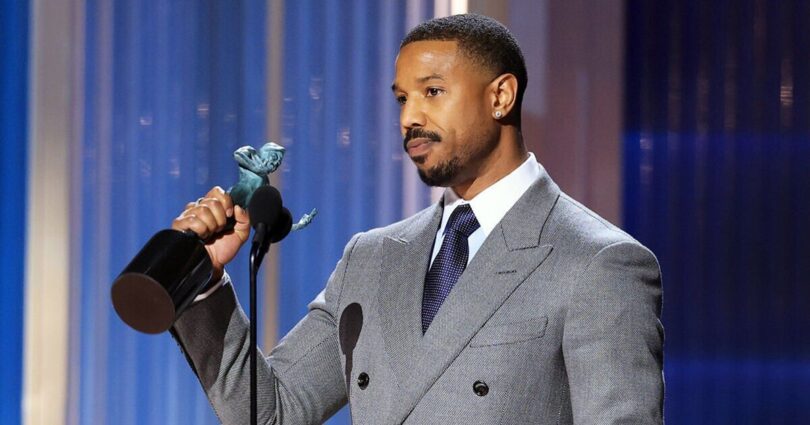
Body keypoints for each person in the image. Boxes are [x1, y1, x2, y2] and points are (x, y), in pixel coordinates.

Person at [170, 14, 664, 424]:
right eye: (403, 98)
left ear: (501, 96)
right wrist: (204, 281)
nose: (409, 118)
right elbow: (271, 412)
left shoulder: (598, 263)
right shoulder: (371, 258)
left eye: (433, 91)